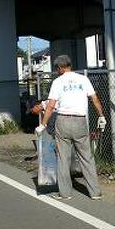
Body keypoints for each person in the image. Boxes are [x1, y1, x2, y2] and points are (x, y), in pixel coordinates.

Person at [35, 55, 106, 200]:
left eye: (57, 68)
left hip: (63, 121)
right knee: (87, 157)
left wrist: (43, 124)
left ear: (60, 68)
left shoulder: (57, 82)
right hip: (80, 121)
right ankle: (95, 192)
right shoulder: (83, 79)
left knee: (63, 158)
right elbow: (95, 99)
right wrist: (101, 116)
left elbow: (51, 106)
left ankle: (65, 193)